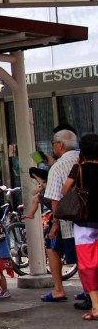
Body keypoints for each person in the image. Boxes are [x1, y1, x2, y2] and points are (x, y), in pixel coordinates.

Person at [60, 133, 98, 319]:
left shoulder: (80, 169)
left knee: (88, 265)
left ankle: (96, 307)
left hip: (84, 222)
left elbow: (65, 190)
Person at [42, 128, 80, 302]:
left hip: (67, 221)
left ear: (59, 145)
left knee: (52, 246)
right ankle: (89, 291)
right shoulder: (84, 160)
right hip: (88, 217)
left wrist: (55, 223)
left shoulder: (57, 167)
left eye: (53, 144)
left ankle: (58, 289)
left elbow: (55, 198)